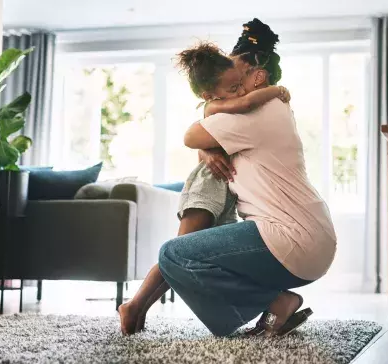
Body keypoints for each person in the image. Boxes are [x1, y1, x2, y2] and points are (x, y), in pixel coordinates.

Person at [157, 18, 337, 337]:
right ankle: (272, 306)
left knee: (174, 252)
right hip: (308, 237)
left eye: (237, 78)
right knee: (195, 250)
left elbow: (191, 136)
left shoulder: (256, 112)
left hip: (290, 237)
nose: (232, 90)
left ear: (258, 76)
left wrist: (211, 126)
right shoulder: (270, 109)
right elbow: (205, 141)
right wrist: (210, 152)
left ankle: (277, 302)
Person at [118, 41, 290, 336]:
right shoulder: (217, 105)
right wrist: (276, 91)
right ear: (208, 95)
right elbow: (241, 107)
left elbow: (214, 142)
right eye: (233, 87)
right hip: (208, 184)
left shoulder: (223, 102)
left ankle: (137, 307)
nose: (239, 91)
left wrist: (209, 151)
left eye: (239, 85)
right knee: (180, 249)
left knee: (192, 254)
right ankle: (134, 305)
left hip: (225, 189)